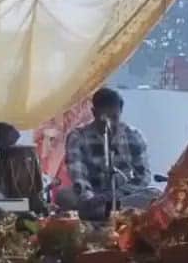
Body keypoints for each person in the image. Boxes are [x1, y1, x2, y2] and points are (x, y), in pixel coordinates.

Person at [57, 88, 159, 219]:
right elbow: (79, 177)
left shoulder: (133, 136)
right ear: (94, 113)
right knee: (65, 196)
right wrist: (91, 198)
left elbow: (143, 177)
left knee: (155, 194)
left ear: (121, 112)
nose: (109, 124)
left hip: (124, 196)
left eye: (114, 117)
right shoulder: (78, 137)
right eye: (104, 118)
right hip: (93, 197)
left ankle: (105, 213)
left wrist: (112, 196)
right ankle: (116, 214)